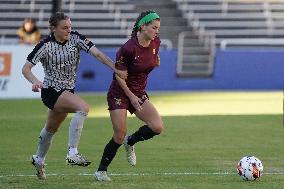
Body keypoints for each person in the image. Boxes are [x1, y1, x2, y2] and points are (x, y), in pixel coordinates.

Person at [22, 12, 127, 180]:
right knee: (83, 107)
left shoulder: (76, 39)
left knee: (50, 129)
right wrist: (35, 81)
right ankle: (72, 152)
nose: (69, 30)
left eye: (70, 26)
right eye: (64, 28)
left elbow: (98, 54)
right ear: (53, 28)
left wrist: (115, 68)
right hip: (51, 91)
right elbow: (26, 68)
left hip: (67, 91)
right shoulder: (45, 45)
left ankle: (39, 159)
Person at [94, 10, 164, 181]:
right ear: (143, 27)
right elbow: (119, 75)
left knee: (157, 127)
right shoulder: (127, 48)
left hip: (139, 92)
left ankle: (130, 141)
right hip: (120, 92)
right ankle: (101, 171)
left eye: (158, 28)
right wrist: (131, 97)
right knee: (119, 134)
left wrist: (156, 60)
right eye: (154, 27)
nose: (157, 31)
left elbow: (154, 58)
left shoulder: (156, 43)